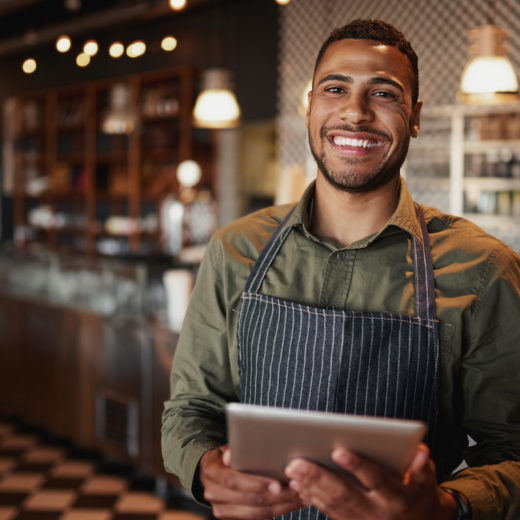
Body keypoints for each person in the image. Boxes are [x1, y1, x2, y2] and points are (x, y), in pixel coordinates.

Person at [161, 19, 520, 520]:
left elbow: (512, 448)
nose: (355, 112)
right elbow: (191, 408)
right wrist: (204, 467)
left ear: (414, 117)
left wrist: (445, 506)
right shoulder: (235, 250)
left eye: (384, 93)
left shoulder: (484, 269)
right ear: (309, 105)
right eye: (335, 89)